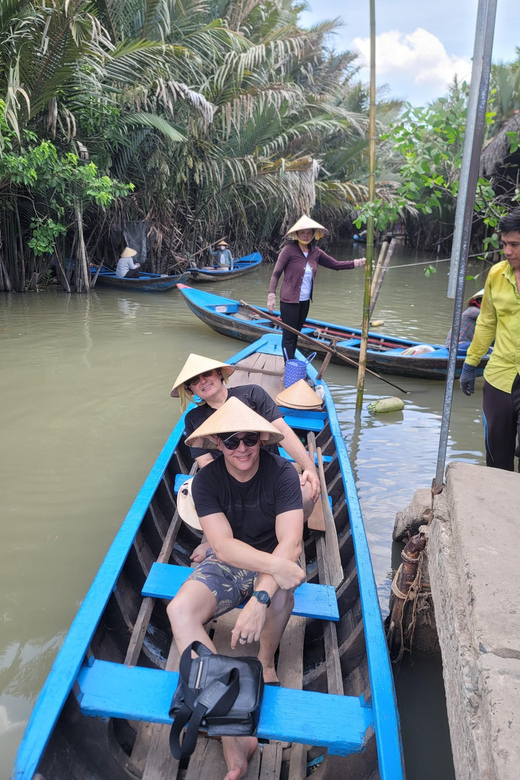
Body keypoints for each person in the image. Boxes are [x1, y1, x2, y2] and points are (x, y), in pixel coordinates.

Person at [166, 397, 305, 780]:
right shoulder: (206, 481)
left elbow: (290, 543)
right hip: (229, 562)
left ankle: (265, 660)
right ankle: (231, 726)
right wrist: (277, 567)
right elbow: (223, 546)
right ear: (218, 444)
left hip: (271, 556)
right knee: (178, 610)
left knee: (282, 592)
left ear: (262, 438)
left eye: (249, 439)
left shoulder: (283, 473)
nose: (241, 448)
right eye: (230, 440)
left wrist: (261, 596)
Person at [170, 354, 320, 537]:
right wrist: (234, 488)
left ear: (218, 373)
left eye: (207, 374)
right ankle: (229, 535)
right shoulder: (194, 419)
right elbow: (205, 461)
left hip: (267, 474)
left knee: (307, 491)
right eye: (194, 380)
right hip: (229, 482)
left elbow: (283, 432)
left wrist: (309, 467)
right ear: (191, 389)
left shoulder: (252, 395)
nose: (203, 381)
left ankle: (283, 532)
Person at [459, 208, 520, 471]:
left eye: (514, 244)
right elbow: (486, 323)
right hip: (499, 377)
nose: (507, 251)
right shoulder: (496, 274)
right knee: (496, 458)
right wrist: (470, 364)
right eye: (504, 244)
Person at [267, 215, 366, 361]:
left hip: (304, 301)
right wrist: (271, 295)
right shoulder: (288, 251)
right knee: (289, 336)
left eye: (309, 233)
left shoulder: (316, 253)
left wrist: (357, 263)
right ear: (297, 234)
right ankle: (289, 368)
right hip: (289, 301)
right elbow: (275, 274)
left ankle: (291, 363)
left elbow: (335, 265)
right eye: (303, 233)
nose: (306, 236)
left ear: (314, 234)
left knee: (297, 335)